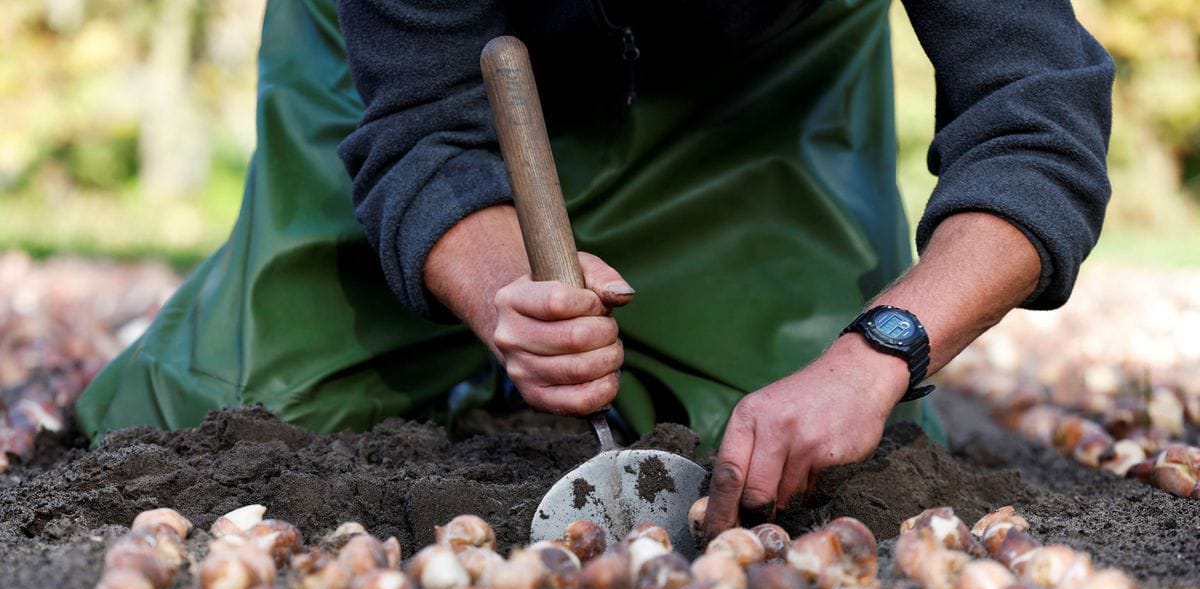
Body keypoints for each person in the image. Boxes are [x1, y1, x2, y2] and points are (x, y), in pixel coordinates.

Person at [75, 0, 1113, 536]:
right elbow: (421, 126)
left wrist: (881, 347)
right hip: (415, 64)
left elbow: (1039, 130)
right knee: (219, 409)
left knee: (807, 455)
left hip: (752, 82)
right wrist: (503, 299)